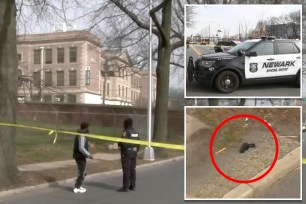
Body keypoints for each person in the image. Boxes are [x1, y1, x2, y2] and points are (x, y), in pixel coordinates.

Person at [117, 118, 139, 192]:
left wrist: (119, 144)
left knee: (126, 169)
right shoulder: (135, 131)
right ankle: (132, 186)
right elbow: (138, 142)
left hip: (127, 153)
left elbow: (123, 143)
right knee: (133, 169)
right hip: (134, 152)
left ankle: (125, 187)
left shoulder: (126, 132)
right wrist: (136, 150)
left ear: (126, 124)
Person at [73, 122, 93, 193]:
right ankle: (77, 187)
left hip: (80, 156)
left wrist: (89, 143)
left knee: (82, 172)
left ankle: (79, 185)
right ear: (86, 128)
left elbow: (83, 142)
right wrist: (88, 155)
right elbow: (81, 147)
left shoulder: (82, 134)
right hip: (79, 156)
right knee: (82, 172)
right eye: (88, 127)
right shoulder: (82, 135)